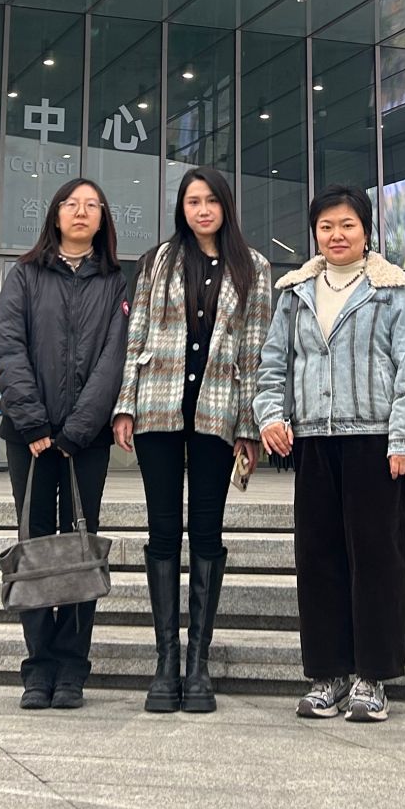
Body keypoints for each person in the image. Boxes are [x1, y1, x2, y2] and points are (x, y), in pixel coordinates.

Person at [255, 184, 405, 724]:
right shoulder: (294, 294)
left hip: (375, 444)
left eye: (347, 225)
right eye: (327, 226)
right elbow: (273, 365)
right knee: (318, 560)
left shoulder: (393, 291)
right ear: (315, 233)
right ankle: (328, 673)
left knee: (377, 560)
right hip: (313, 442)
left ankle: (372, 676)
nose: (337, 235)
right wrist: (270, 415)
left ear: (366, 231)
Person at [112, 165, 271, 715]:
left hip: (218, 412)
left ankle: (198, 665)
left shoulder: (253, 267)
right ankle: (166, 663)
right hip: (157, 407)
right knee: (162, 531)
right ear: (181, 208)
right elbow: (136, 337)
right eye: (192, 201)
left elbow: (254, 351)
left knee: (206, 530)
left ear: (226, 206)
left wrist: (249, 427)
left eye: (211, 201)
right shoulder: (157, 261)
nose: (202, 210)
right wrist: (125, 405)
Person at [0, 177, 129, 711]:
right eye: (72, 204)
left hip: (84, 442)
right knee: (33, 543)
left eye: (93, 205)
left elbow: (115, 358)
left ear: (103, 219)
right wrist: (33, 423)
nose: (81, 212)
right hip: (28, 437)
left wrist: (76, 430)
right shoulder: (25, 275)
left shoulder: (116, 282)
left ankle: (72, 667)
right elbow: (7, 346)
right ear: (55, 214)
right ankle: (38, 667)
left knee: (78, 547)